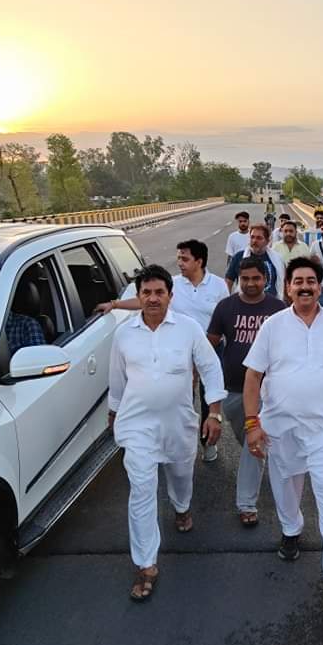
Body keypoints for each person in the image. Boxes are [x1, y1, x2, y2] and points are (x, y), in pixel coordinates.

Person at [242, 257, 323, 600]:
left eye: (312, 280)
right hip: (281, 426)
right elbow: (253, 376)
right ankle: (291, 529)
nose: (306, 286)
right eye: (299, 281)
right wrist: (253, 423)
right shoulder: (273, 326)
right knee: (286, 486)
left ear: (320, 286)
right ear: (288, 287)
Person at [108, 265, 227, 602]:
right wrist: (114, 413)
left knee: (180, 475)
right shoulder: (124, 335)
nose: (153, 298)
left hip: (179, 423)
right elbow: (117, 381)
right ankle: (146, 565)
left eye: (159, 292)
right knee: (142, 491)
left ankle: (181, 506)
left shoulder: (188, 329)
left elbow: (210, 368)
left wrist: (214, 413)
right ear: (138, 296)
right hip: (137, 426)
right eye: (146, 292)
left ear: (170, 296)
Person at [96, 240, 229, 462]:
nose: (180, 263)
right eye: (178, 258)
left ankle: (207, 441)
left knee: (210, 396)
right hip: (177, 349)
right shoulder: (172, 285)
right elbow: (146, 301)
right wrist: (115, 304)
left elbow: (224, 315)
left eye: (185, 259)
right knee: (181, 398)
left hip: (210, 347)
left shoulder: (218, 286)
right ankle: (164, 445)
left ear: (199, 261)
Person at [207, 257, 286, 527]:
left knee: (255, 444)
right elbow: (210, 348)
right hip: (233, 391)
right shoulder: (225, 307)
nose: (251, 284)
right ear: (239, 279)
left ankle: (246, 504)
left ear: (265, 279)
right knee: (249, 443)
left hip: (270, 392)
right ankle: (263, 468)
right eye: (245, 279)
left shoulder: (279, 309)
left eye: (256, 278)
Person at [226, 224, 286, 300]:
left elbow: (284, 282)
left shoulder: (277, 259)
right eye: (252, 237)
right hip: (245, 304)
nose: (254, 241)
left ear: (267, 241)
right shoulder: (239, 257)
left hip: (271, 305)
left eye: (259, 238)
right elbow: (229, 281)